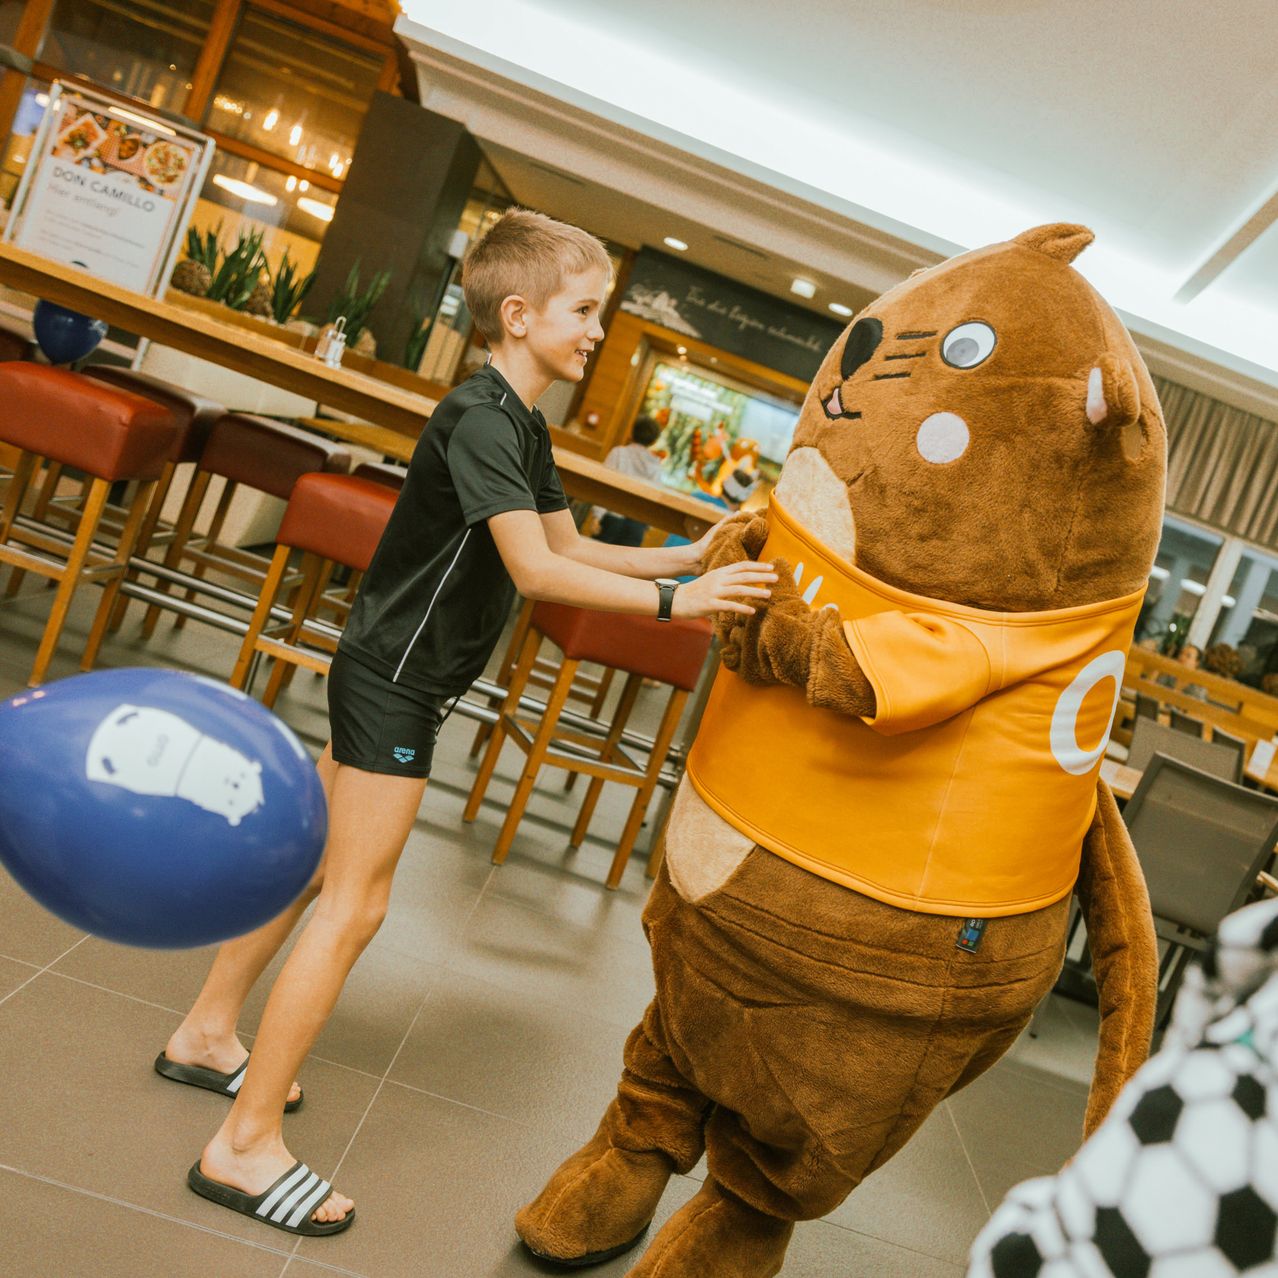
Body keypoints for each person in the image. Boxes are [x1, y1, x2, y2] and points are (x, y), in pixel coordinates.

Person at [159, 207, 776, 1237]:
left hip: (389, 667)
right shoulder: (487, 418)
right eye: (585, 311)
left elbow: (572, 546)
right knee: (354, 906)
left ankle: (208, 1033)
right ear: (520, 314)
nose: (595, 330)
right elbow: (537, 576)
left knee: (308, 864)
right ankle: (244, 1145)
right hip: (397, 679)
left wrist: (687, 557)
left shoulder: (517, 421)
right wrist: (686, 610)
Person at [591, 414, 664, 546]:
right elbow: (653, 500)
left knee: (596, 561)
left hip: (612, 517)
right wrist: (647, 526)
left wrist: (597, 515)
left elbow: (604, 485)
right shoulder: (656, 466)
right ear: (654, 441)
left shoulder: (619, 453)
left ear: (633, 431)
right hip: (637, 525)